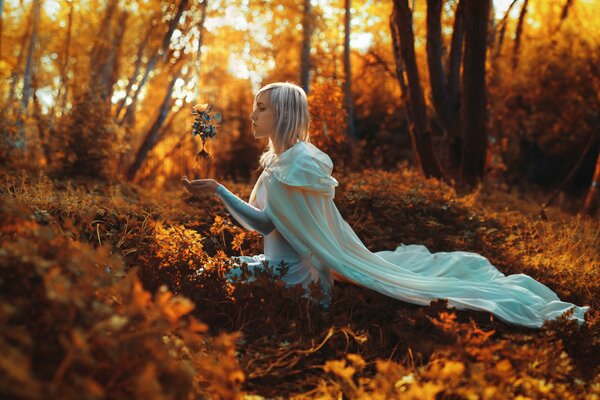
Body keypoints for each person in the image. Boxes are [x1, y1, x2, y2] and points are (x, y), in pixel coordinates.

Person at [181, 81, 589, 329]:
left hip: (296, 280)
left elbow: (265, 226)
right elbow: (268, 226)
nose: (252, 115)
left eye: (261, 107)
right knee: (205, 274)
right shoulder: (281, 163)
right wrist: (219, 191)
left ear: (283, 113)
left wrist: (218, 190)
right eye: (255, 106)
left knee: (208, 281)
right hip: (286, 270)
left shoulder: (296, 165)